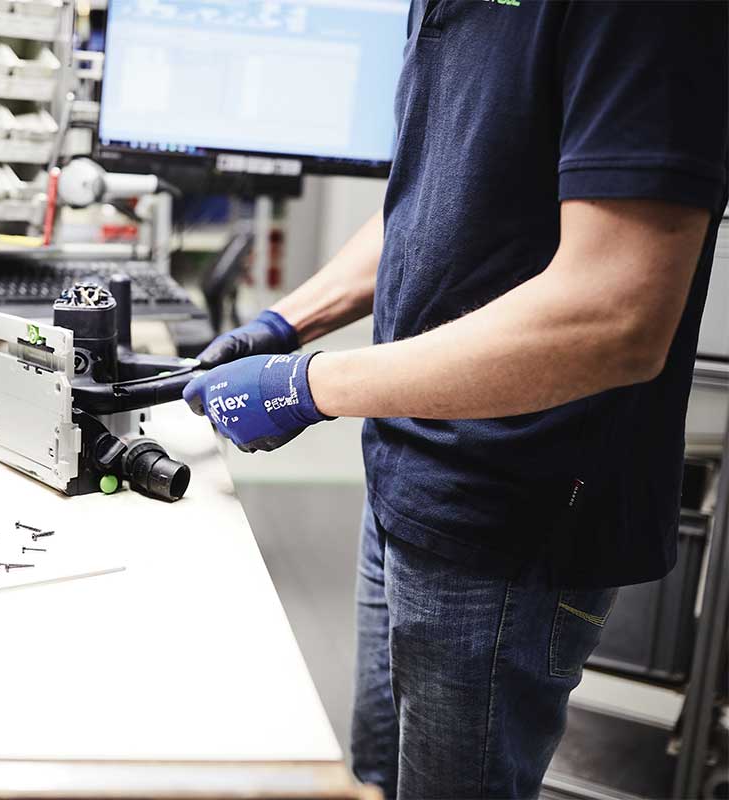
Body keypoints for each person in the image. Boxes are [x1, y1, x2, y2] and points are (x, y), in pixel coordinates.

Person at [181, 2, 728, 798]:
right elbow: (440, 196)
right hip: (407, 479)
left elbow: (615, 316)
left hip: (514, 515)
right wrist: (285, 322)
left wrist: (307, 385)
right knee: (380, 776)